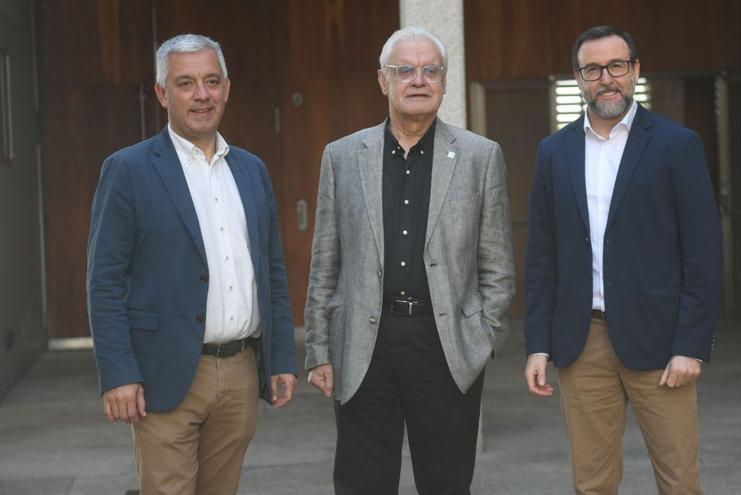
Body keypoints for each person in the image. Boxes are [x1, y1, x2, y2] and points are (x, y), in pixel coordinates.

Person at [304, 26, 515, 495]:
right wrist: (319, 347)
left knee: (446, 481)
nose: (418, 80)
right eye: (405, 70)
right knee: (363, 482)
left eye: (430, 70)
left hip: (445, 345)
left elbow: (497, 267)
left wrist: (482, 338)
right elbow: (324, 264)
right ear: (383, 80)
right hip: (364, 344)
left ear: (443, 81)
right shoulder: (342, 157)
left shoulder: (481, 157)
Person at [86, 33, 297, 495]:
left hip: (241, 369)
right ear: (163, 93)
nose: (201, 95)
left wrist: (280, 357)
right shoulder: (128, 170)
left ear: (226, 88)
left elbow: (271, 270)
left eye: (211, 81)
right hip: (164, 372)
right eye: (185, 83)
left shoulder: (251, 170)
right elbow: (104, 282)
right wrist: (119, 374)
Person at [523, 25, 721, 495]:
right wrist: (538, 343)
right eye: (592, 69)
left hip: (660, 342)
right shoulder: (553, 152)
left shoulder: (677, 144)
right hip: (581, 340)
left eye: (616, 66)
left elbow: (704, 253)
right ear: (578, 77)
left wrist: (691, 344)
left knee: (679, 482)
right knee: (591, 484)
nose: (605, 78)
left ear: (635, 70)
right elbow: (540, 257)